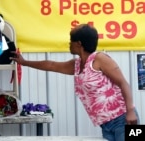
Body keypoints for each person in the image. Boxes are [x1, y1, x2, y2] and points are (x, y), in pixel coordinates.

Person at [10, 24, 139, 141]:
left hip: (125, 119)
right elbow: (51, 65)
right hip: (106, 125)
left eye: (70, 41)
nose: (69, 44)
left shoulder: (100, 59)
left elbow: (123, 83)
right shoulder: (77, 65)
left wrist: (131, 111)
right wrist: (24, 62)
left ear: (79, 44)